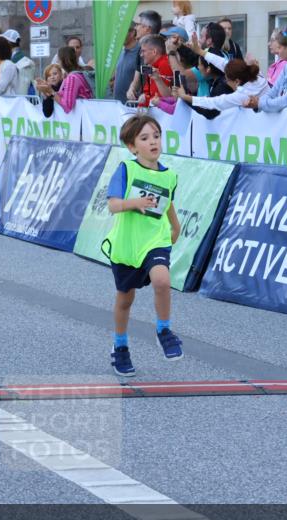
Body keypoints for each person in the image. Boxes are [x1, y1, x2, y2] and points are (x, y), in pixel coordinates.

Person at [103, 115, 182, 376]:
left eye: (156, 136)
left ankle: (164, 330)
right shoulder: (126, 169)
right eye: (145, 138)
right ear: (132, 146)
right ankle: (120, 346)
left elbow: (167, 202)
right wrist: (134, 203)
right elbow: (113, 205)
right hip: (127, 244)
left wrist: (176, 226)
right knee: (125, 299)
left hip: (155, 239)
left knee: (162, 281)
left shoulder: (169, 175)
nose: (153, 142)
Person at [42, 46, 93, 113]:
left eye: (58, 59)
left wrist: (51, 92)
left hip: (82, 115)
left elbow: (67, 106)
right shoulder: (75, 74)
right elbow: (62, 95)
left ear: (63, 60)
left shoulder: (72, 77)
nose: (57, 62)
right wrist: (47, 92)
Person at [127, 10, 162, 101]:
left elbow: (169, 83)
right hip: (144, 103)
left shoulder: (164, 49)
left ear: (147, 29)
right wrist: (131, 89)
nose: (136, 28)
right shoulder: (140, 50)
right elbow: (137, 76)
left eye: (138, 24)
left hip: (160, 104)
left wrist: (149, 95)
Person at [136, 35, 174, 108]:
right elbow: (149, 93)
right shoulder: (152, 65)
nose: (141, 55)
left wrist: (146, 100)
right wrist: (144, 98)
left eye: (143, 51)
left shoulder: (164, 64)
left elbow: (165, 97)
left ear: (154, 51)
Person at [2, 29, 35, 95]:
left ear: (8, 42)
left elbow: (23, 88)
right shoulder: (9, 58)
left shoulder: (25, 62)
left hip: (17, 98)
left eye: (3, 41)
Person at [112, 24, 139, 103]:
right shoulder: (121, 51)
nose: (118, 36)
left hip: (132, 105)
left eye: (121, 32)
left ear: (132, 33)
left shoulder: (140, 52)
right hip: (118, 104)